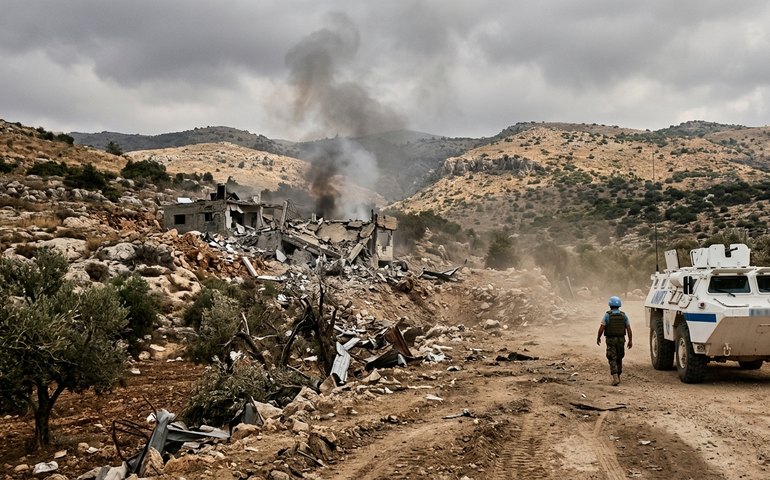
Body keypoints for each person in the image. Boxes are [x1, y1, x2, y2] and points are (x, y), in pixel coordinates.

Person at [596, 296, 632, 386]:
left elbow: (602, 328)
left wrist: (598, 337)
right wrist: (630, 340)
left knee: (612, 357)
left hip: (611, 339)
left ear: (610, 305)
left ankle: (615, 376)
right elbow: (628, 328)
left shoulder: (607, 315)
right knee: (619, 357)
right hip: (621, 339)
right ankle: (618, 376)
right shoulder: (624, 315)